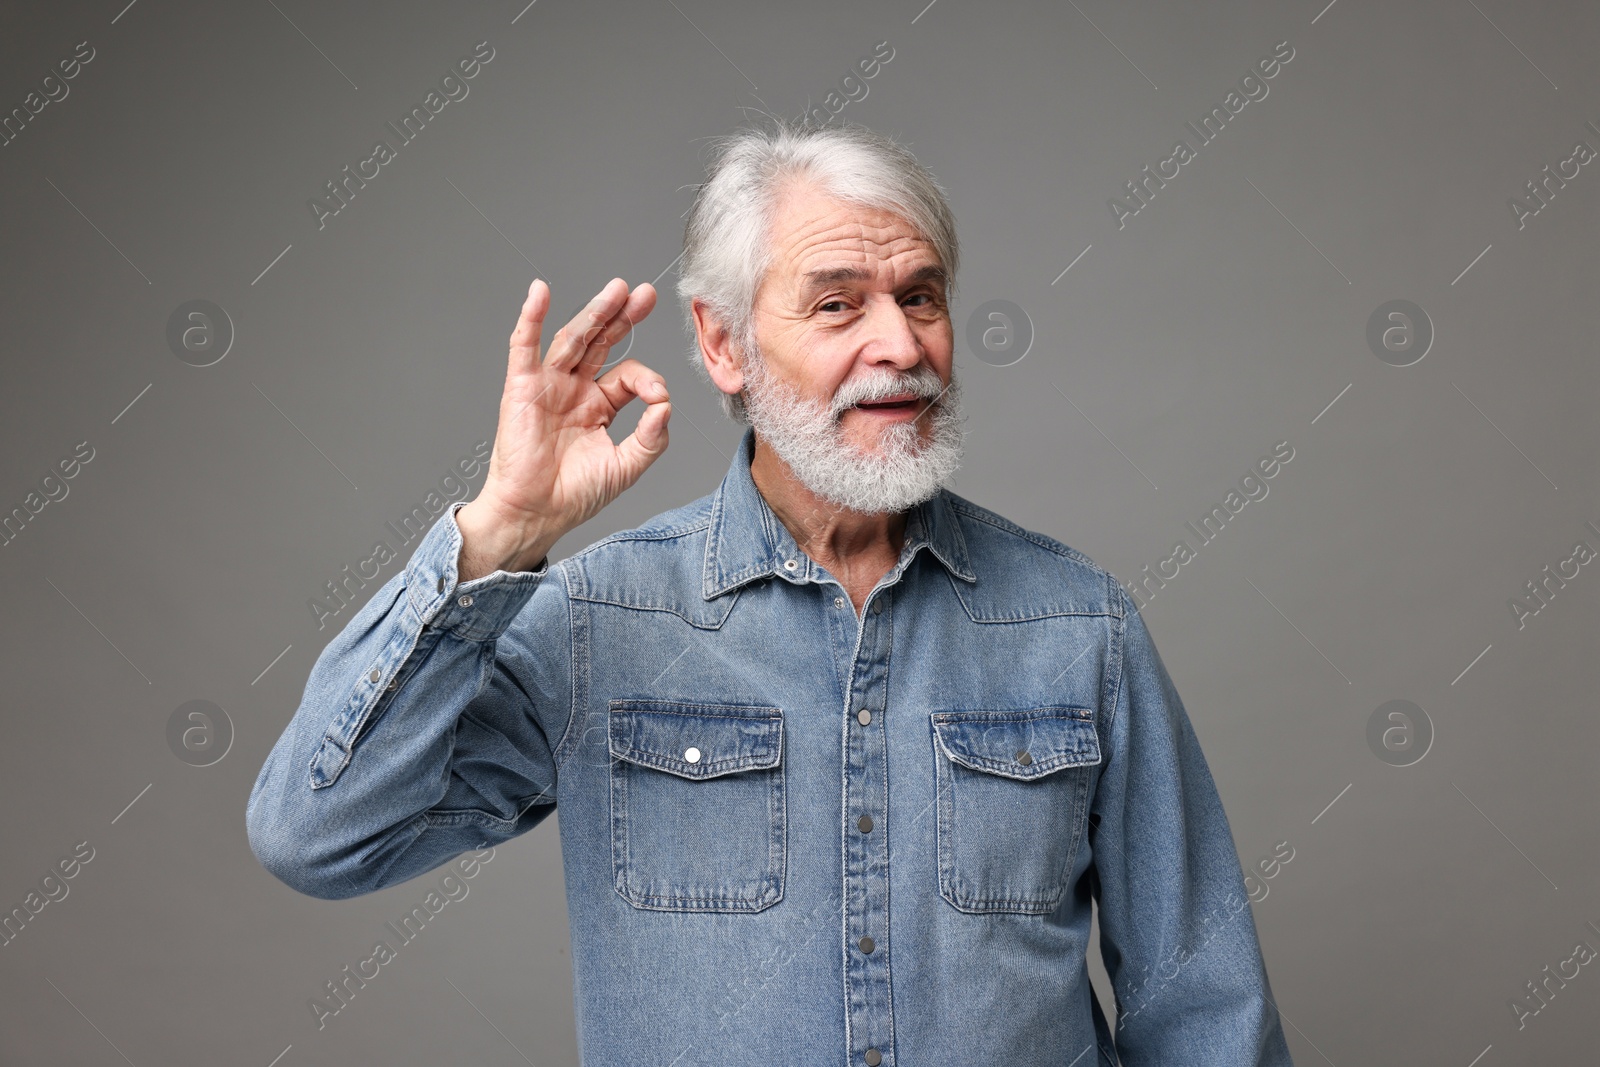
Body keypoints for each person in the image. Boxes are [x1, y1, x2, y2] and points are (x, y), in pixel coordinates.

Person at [246, 119, 1295, 1066]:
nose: (899, 343)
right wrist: (499, 536)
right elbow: (318, 834)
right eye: (838, 303)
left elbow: (1203, 1007)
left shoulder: (1078, 623)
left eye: (919, 296)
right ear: (721, 343)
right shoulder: (599, 622)